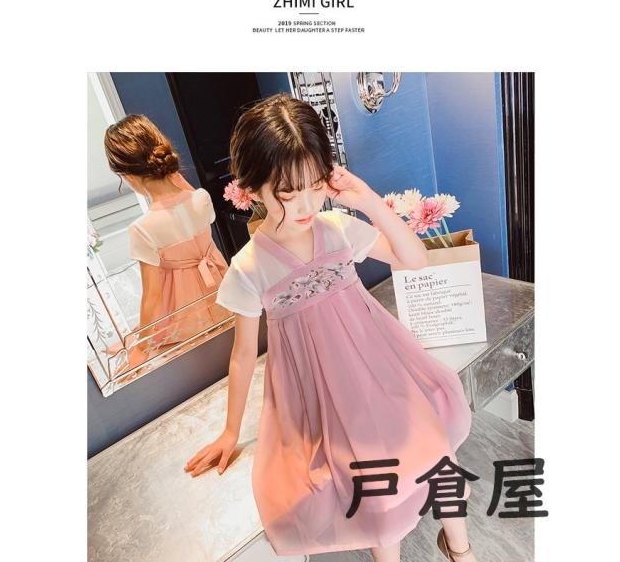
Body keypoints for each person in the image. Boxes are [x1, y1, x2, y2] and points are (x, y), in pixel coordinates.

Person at [184, 95, 476, 562]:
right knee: (375, 487)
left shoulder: (337, 226)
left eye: (314, 185)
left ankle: (460, 551)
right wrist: (230, 431)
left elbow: (414, 260)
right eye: (287, 193)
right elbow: (242, 355)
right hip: (321, 392)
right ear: (252, 187)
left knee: (437, 453)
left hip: (382, 367)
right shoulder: (249, 267)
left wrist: (367, 200)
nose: (305, 204)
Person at [104, 114, 229, 366]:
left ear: (128, 176)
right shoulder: (201, 198)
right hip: (223, 297)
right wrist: (172, 176)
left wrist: (141, 348)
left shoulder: (143, 228)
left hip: (185, 317)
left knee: (134, 347)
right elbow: (189, 198)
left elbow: (152, 296)